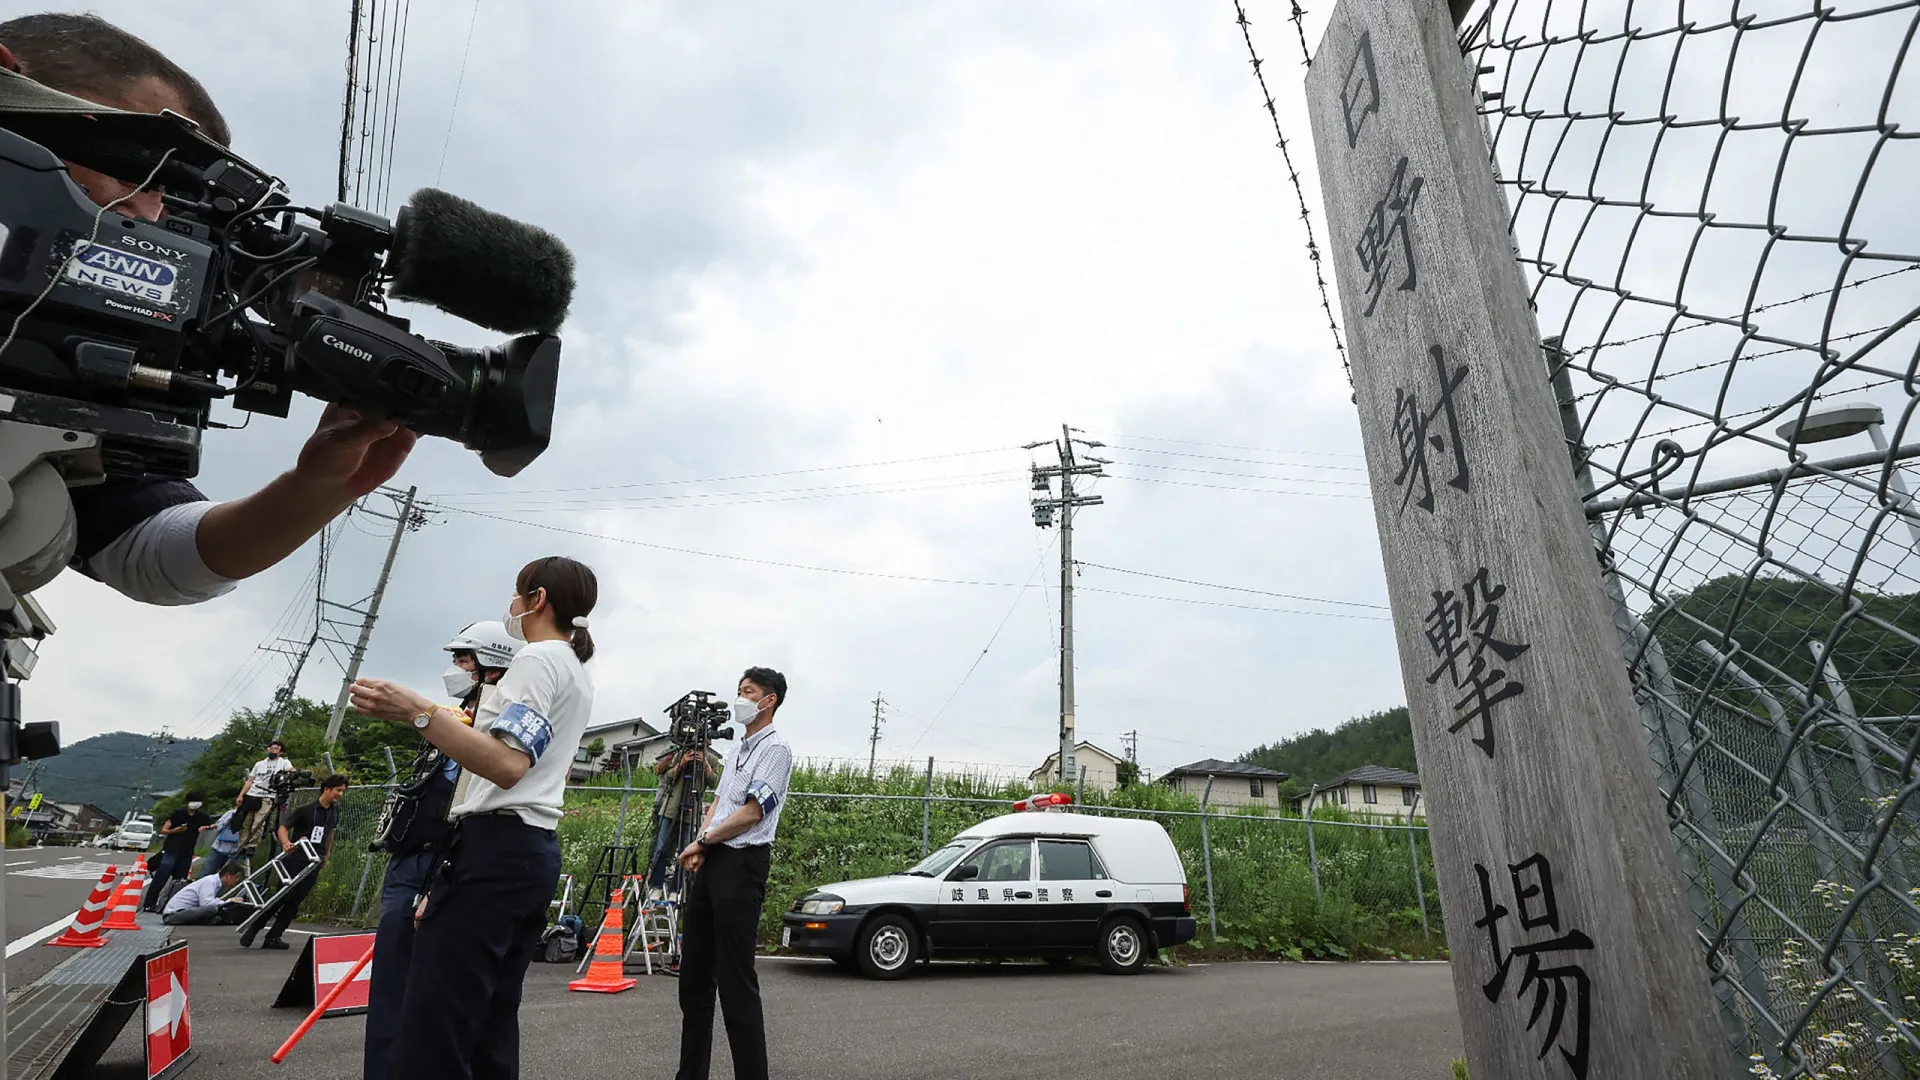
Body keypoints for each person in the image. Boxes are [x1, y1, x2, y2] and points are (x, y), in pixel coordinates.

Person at [0, 13, 418, 607]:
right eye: (137, 169)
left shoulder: (58, 355)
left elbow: (153, 555)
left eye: (169, 196)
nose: (149, 218)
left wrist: (318, 487)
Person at [349, 556, 598, 1079]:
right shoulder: (573, 669)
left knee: (436, 1028)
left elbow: (507, 764)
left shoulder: (538, 659)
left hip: (493, 847)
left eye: (516, 593)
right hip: (526, 851)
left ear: (538, 599)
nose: (510, 606)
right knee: (489, 1025)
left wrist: (419, 711)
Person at [363, 620, 519, 1080]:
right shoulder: (453, 720)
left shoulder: (497, 724)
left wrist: (446, 870)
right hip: (412, 861)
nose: (454, 667)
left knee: (447, 998)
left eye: (464, 659)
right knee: (396, 988)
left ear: (492, 667)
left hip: (445, 865)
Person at [674, 667, 795, 1080]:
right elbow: (721, 802)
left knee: (736, 980)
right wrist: (703, 841)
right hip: (715, 859)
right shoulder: (738, 750)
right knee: (694, 978)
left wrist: (704, 842)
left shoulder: (775, 749)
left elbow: (751, 811)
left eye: (749, 691)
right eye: (739, 690)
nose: (741, 698)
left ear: (769, 700)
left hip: (743, 864)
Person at [242, 774, 347, 951]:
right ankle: (254, 928)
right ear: (327, 789)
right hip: (296, 859)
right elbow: (283, 827)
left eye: (343, 791)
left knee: (295, 902)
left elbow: (330, 833)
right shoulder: (306, 809)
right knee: (281, 897)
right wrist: (285, 843)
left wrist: (327, 854)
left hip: (314, 861)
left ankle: (274, 936)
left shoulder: (334, 811)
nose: (340, 794)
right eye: (338, 790)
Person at [647, 742, 722, 900]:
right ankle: (656, 886)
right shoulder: (678, 753)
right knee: (661, 848)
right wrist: (681, 763)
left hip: (691, 810)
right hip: (670, 809)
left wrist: (706, 764)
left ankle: (676, 889)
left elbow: (714, 782)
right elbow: (666, 777)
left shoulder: (712, 759)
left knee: (685, 850)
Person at [142, 792, 214, 912]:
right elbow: (164, 830)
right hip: (171, 850)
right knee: (160, 878)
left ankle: (171, 907)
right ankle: (149, 904)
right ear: (188, 802)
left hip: (187, 853)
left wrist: (206, 827)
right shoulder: (178, 814)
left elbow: (214, 824)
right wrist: (176, 830)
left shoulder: (202, 816)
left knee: (179, 882)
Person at [235, 740, 293, 860]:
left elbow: (291, 769)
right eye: (272, 748)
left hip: (268, 796)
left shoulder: (283, 762)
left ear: (281, 752)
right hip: (253, 794)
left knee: (258, 822)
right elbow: (250, 781)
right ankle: (242, 845)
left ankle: (252, 845)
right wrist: (241, 795)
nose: (273, 750)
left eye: (276, 749)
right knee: (246, 822)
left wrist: (290, 773)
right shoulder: (259, 764)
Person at [161, 864, 248, 926]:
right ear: (228, 875)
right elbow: (206, 903)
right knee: (212, 908)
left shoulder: (215, 883)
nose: (236, 880)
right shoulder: (210, 882)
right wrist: (228, 901)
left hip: (183, 912)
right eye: (236, 877)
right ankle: (205, 921)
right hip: (172, 915)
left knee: (215, 912)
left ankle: (206, 920)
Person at [198, 807, 242, 879]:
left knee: (225, 878)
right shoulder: (231, 813)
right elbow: (218, 826)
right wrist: (229, 820)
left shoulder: (253, 817)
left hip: (235, 851)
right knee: (206, 874)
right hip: (218, 849)